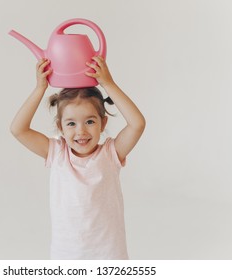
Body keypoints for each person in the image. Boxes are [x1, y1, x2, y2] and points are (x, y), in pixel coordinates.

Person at [10, 56, 146, 259]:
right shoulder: (57, 153)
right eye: (71, 123)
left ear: (102, 122)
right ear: (60, 127)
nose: (81, 131)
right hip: (67, 257)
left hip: (109, 257)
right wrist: (40, 88)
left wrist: (108, 83)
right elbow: (18, 129)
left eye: (90, 121)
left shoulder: (111, 154)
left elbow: (137, 124)